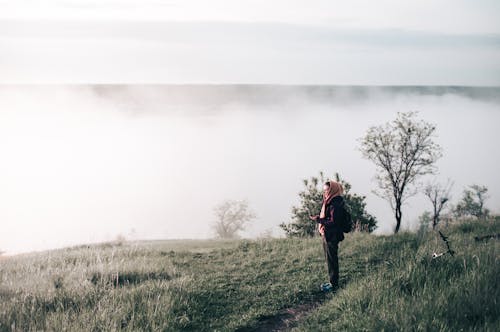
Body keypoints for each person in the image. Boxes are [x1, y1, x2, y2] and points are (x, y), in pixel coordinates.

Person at [309, 180, 345, 290]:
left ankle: (334, 284)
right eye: (324, 190)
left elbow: (333, 222)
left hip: (332, 235)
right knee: (329, 258)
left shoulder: (335, 203)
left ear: (333, 190)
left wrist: (319, 220)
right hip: (328, 233)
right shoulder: (330, 201)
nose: (325, 192)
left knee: (331, 259)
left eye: (327, 190)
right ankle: (332, 282)